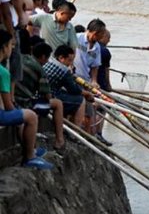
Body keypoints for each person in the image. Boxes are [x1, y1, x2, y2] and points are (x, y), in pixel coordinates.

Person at [0, 30, 53, 169]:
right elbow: (7, 104)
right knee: (31, 116)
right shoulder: (3, 72)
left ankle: (31, 150)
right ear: (4, 47)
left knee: (20, 116)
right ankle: (30, 156)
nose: (12, 49)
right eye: (11, 45)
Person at [15, 39, 66, 150]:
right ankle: (59, 140)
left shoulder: (22, 58)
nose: (47, 61)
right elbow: (47, 96)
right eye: (47, 58)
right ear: (43, 57)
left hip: (12, 99)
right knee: (57, 104)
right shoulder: (39, 69)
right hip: (24, 103)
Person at [43, 44, 92, 126]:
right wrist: (87, 94)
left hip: (47, 92)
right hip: (50, 96)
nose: (70, 64)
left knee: (66, 94)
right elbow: (74, 90)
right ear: (61, 58)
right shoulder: (63, 70)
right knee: (80, 100)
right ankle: (76, 130)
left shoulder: (50, 60)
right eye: (69, 60)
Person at [74, 18, 105, 85]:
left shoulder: (97, 47)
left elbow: (95, 66)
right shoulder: (77, 38)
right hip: (73, 76)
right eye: (101, 35)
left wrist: (94, 81)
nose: (101, 37)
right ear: (94, 33)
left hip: (85, 80)